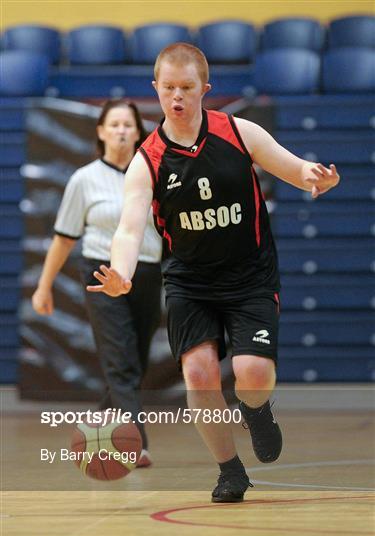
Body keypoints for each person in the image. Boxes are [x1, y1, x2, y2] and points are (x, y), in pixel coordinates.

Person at [87, 44, 340, 501]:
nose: (177, 97)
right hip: (190, 281)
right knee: (200, 376)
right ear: (156, 90)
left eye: (187, 87)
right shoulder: (147, 160)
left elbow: (292, 166)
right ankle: (230, 470)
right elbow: (129, 228)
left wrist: (312, 177)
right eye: (168, 88)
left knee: (253, 373)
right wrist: (121, 273)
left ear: (205, 88)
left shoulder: (239, 132)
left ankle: (257, 411)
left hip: (250, 275)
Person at [32, 99, 162, 467]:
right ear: (101, 132)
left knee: (133, 361)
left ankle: (100, 430)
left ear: (138, 132)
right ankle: (136, 442)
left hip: (146, 273)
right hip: (101, 273)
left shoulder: (153, 175)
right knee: (121, 361)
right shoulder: (84, 179)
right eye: (114, 124)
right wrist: (43, 286)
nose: (121, 130)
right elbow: (63, 237)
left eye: (128, 124)